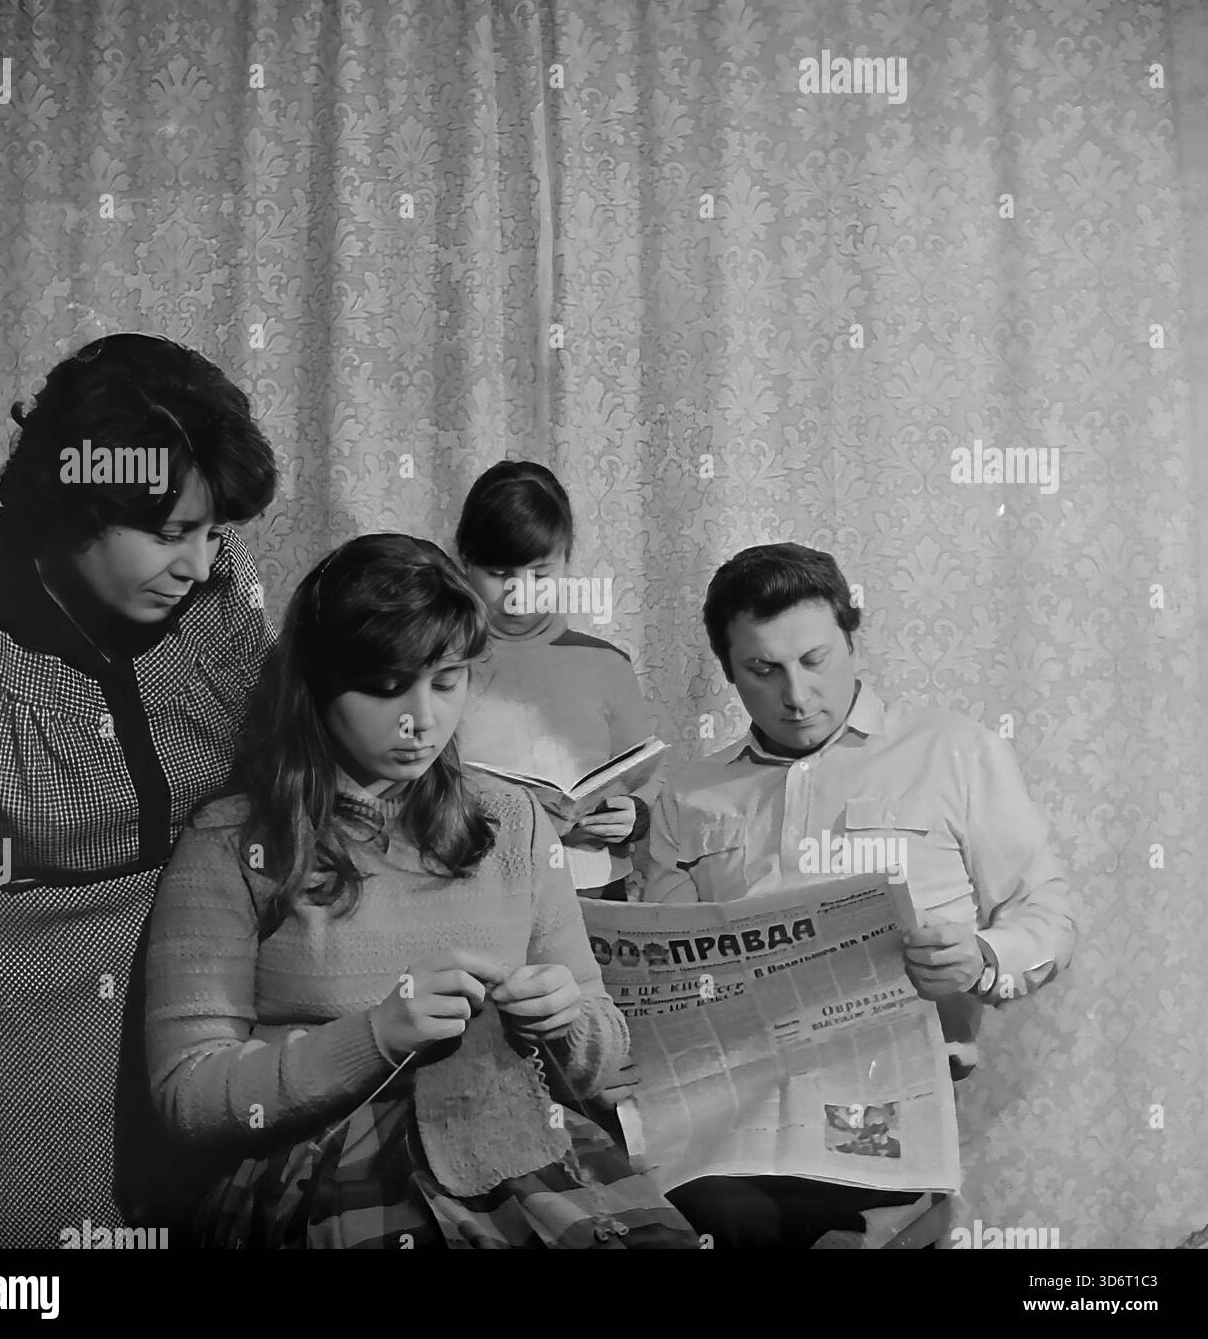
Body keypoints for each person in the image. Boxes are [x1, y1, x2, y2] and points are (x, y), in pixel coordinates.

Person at [145, 535, 677, 1249]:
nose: (419, 721)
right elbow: (188, 1094)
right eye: (385, 687)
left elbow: (603, 1053)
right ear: (317, 683)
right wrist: (374, 1036)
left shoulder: (512, 820)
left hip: (510, 1139)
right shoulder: (233, 840)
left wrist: (564, 1022)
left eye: (447, 680)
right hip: (321, 1163)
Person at [0, 333, 277, 1247]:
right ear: (75, 506)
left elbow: (293, 760)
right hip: (32, 1039)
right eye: (167, 534)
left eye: (209, 532)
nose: (196, 562)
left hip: (212, 999)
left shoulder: (218, 598)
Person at [637, 542, 1077, 1248]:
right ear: (728, 671)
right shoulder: (690, 795)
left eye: (815, 661)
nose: (796, 695)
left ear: (851, 638)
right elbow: (666, 973)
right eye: (762, 670)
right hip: (729, 1124)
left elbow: (1049, 916)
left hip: (885, 1111)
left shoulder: (955, 753)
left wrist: (983, 959)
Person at [452, 461, 657, 898]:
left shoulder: (606, 664)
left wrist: (634, 815)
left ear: (567, 560)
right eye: (499, 573)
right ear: (463, 561)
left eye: (540, 573)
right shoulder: (442, 667)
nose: (519, 592)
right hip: (476, 891)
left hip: (594, 890)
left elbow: (647, 781)